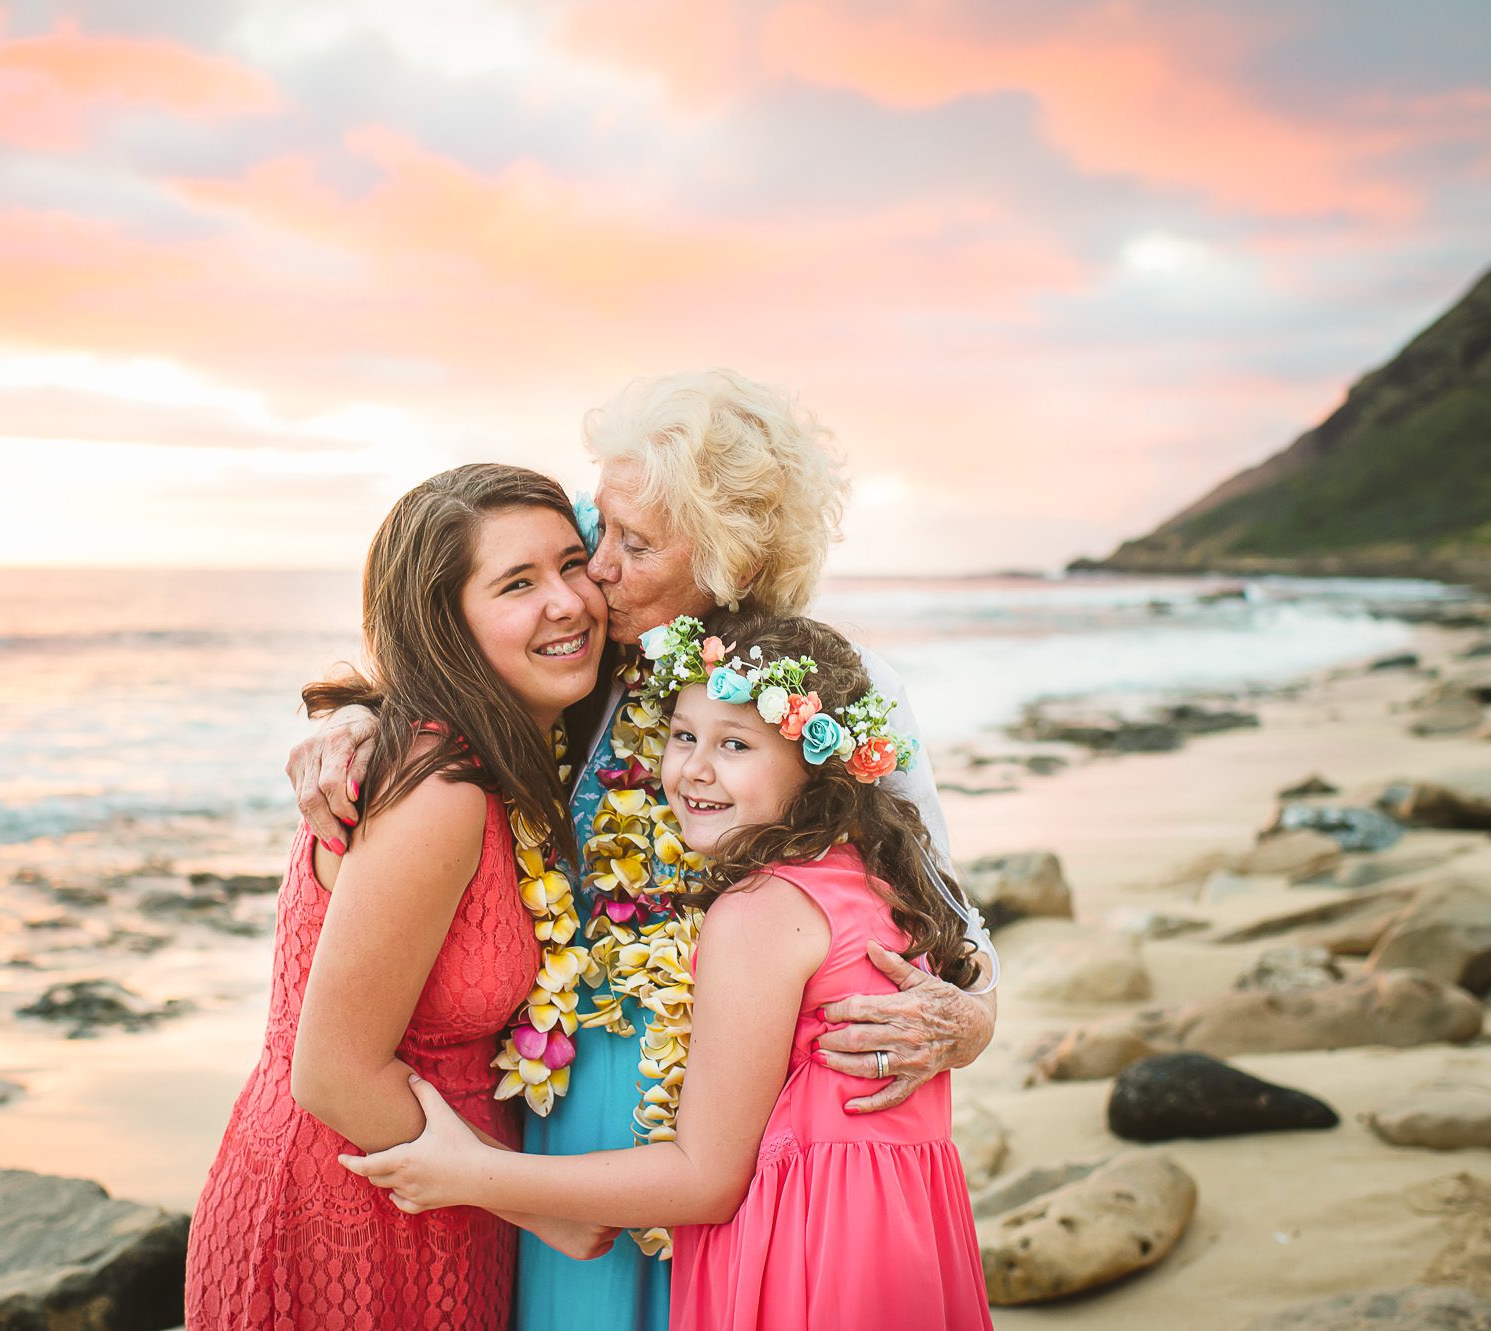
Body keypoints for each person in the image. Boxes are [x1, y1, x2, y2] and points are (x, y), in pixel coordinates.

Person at [285, 370, 999, 1330]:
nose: (596, 572)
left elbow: (941, 912)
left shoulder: (823, 694)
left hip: (731, 1122)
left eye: (633, 543)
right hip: (565, 1092)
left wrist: (973, 1019)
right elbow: (462, 655)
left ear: (730, 560)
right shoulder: (589, 661)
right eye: (597, 532)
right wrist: (367, 720)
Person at [343, 612, 996, 1331]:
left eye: (736, 744)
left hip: (809, 1259)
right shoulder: (880, 879)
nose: (695, 769)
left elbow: (705, 1179)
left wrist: (468, 1173)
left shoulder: (761, 914)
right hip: (901, 1243)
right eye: (684, 735)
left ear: (817, 763)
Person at [185, 464, 620, 1330]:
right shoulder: (438, 788)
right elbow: (333, 1071)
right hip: (347, 1202)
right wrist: (545, 1207)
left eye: (573, 564)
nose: (568, 602)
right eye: (517, 584)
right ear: (444, 624)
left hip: (443, 1191)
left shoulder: (511, 760)